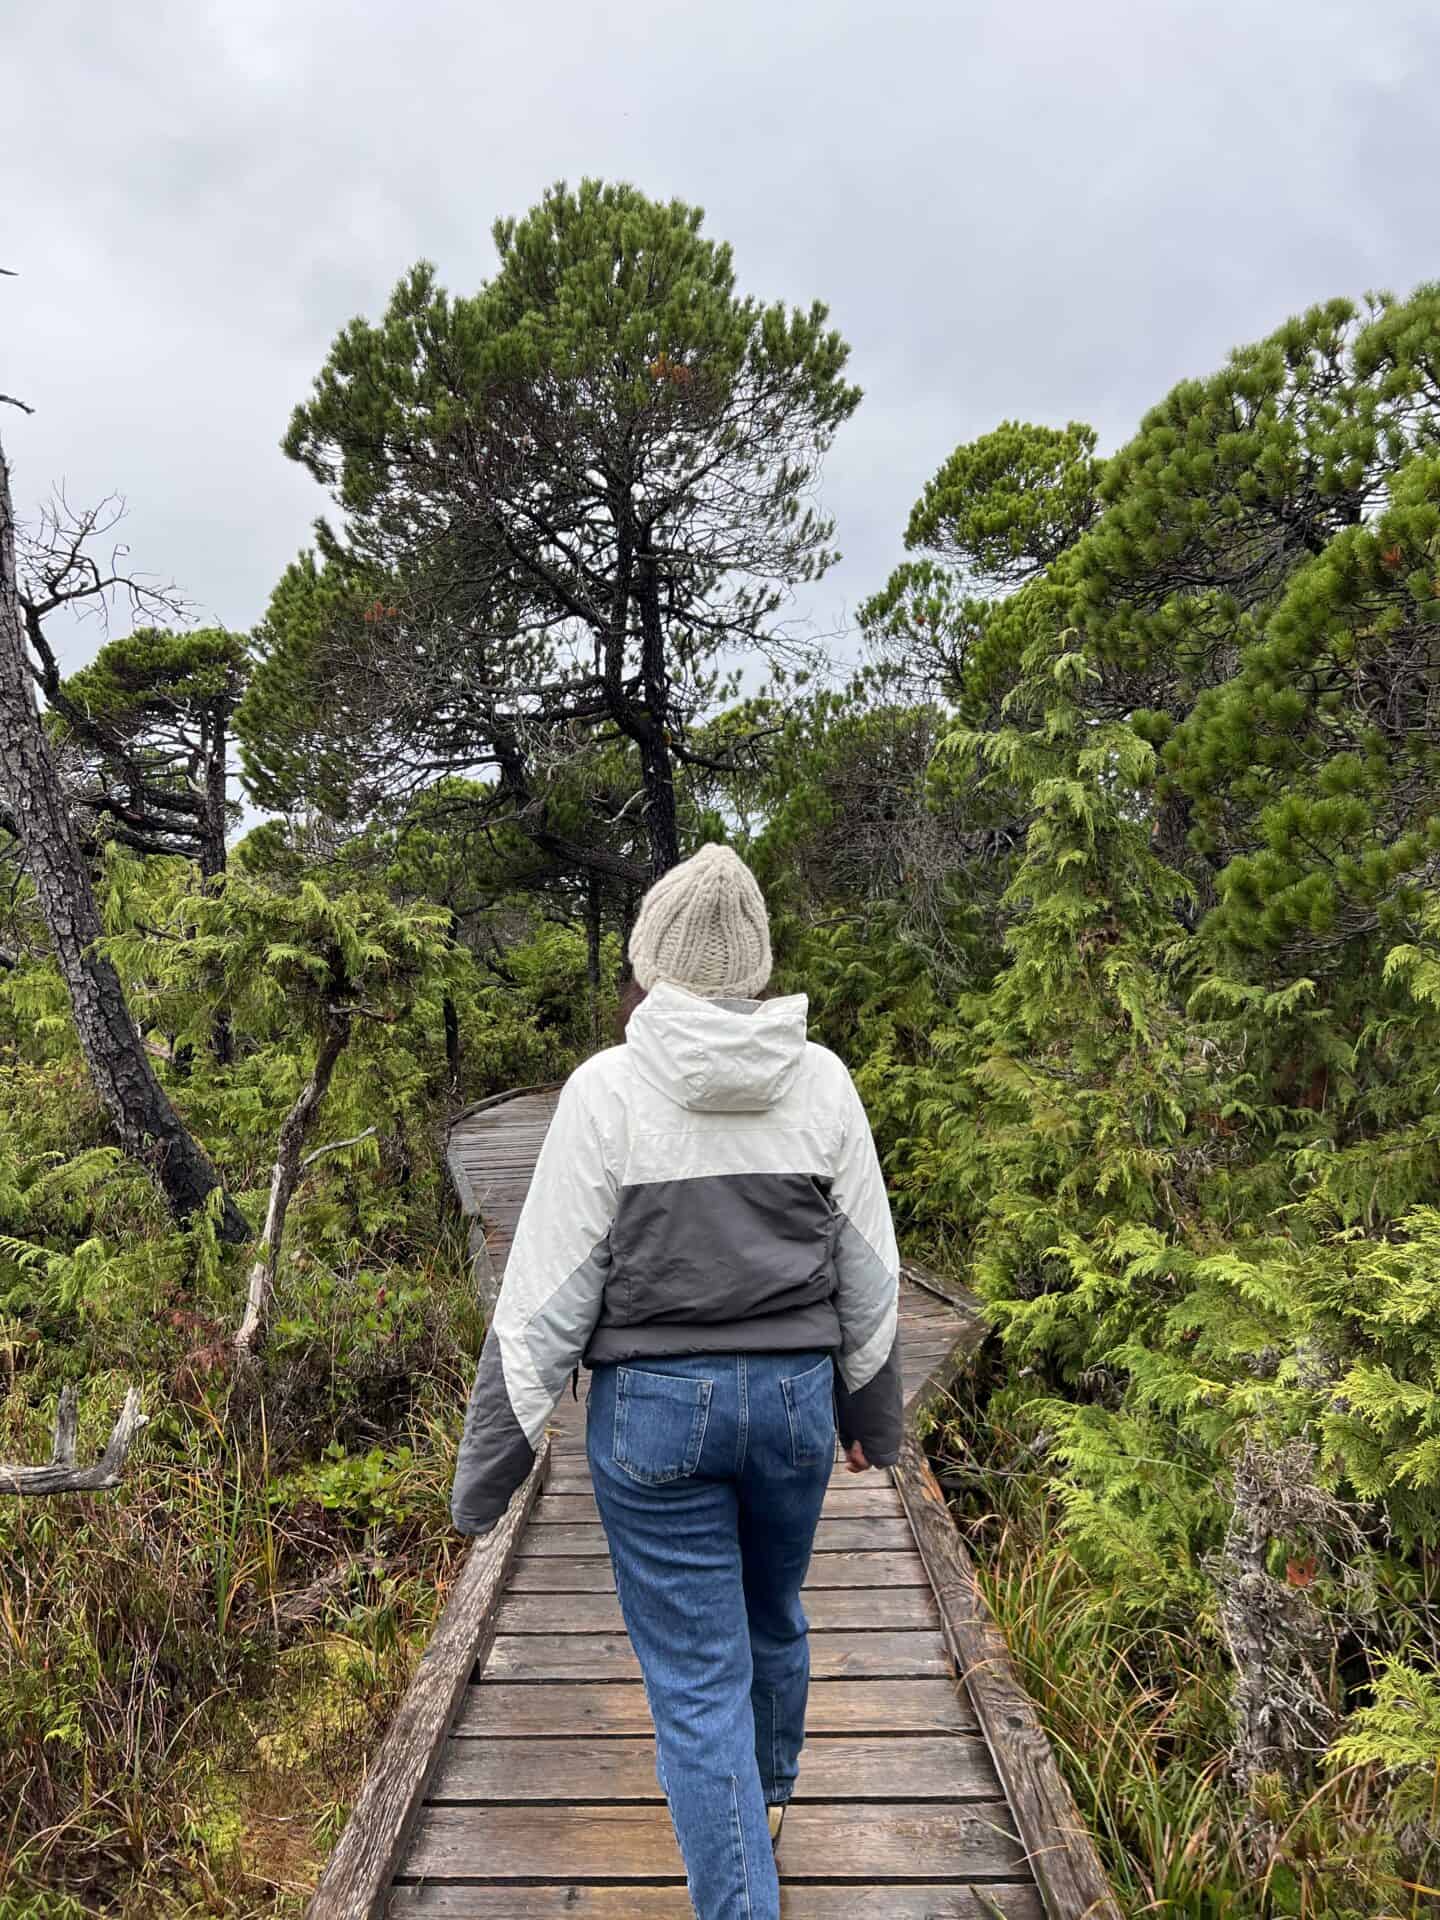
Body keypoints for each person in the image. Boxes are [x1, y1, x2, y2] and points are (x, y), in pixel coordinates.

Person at [450, 842, 902, 1920]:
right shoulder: (824, 1081)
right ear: (755, 964)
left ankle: (738, 1870)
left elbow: (543, 1302)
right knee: (774, 1617)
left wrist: (484, 1478)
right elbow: (871, 1274)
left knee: (697, 1683)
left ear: (650, 963)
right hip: (794, 1403)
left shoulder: (606, 1092)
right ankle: (765, 1800)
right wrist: (868, 1414)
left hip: (654, 1418)